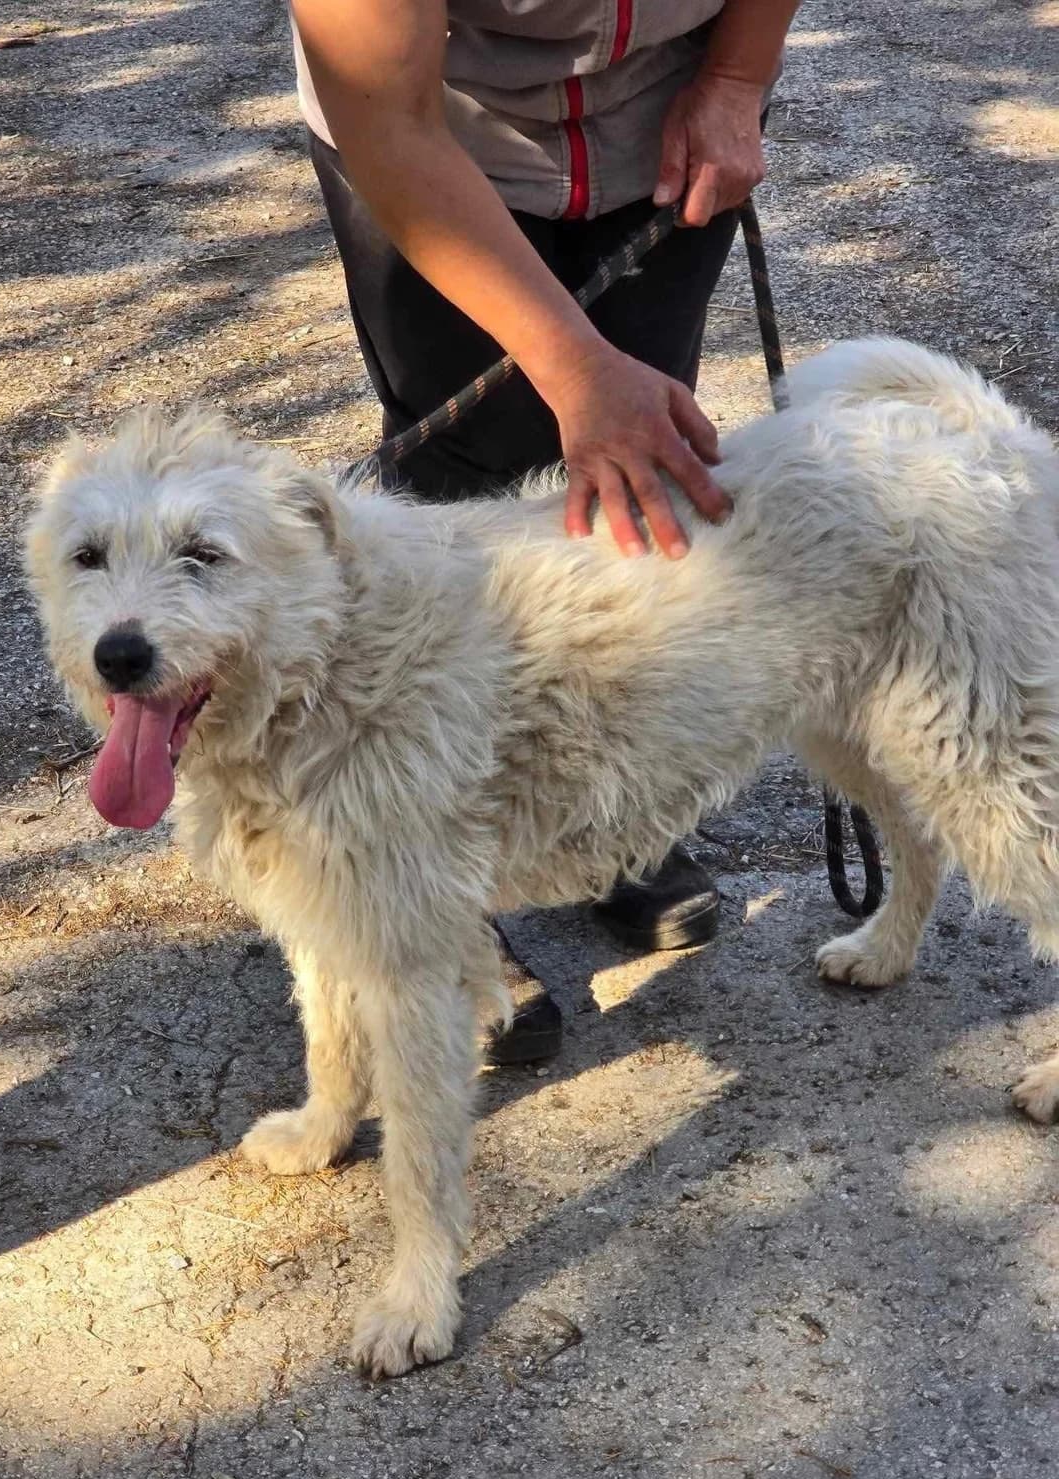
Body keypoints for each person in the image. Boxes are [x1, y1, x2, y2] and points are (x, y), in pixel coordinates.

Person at [291, 0, 801, 1060]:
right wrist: (571, 369)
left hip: (654, 117)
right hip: (437, 135)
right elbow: (388, 114)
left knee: (637, 474)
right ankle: (425, 882)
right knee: (460, 487)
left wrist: (739, 80)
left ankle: (613, 816)